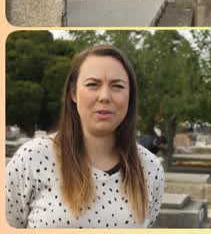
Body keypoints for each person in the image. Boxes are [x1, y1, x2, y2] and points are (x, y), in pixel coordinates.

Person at [5, 45, 164, 228]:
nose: (104, 96)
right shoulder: (32, 158)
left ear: (130, 96)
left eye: (117, 86)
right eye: (92, 85)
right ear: (73, 93)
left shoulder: (150, 169)